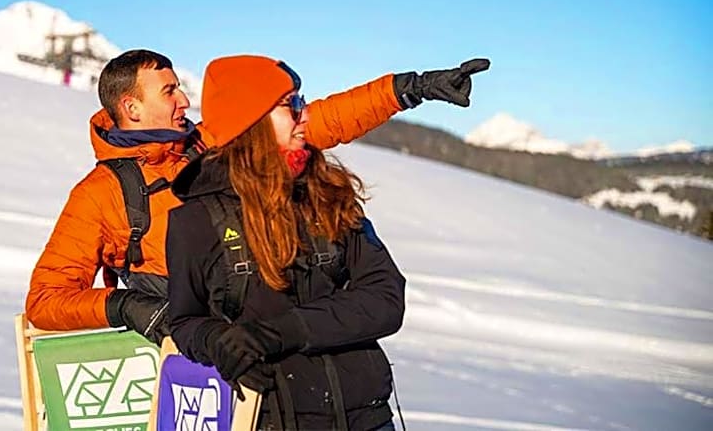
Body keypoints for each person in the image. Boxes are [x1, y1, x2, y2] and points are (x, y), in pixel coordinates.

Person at [26, 49, 489, 345]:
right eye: (169, 91)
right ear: (131, 107)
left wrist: (406, 90)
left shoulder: (212, 144)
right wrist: (126, 307)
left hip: (265, 334)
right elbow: (45, 301)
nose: (184, 101)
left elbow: (313, 122)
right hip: (184, 360)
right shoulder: (102, 194)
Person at [167, 54, 413, 430]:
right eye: (292, 105)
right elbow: (185, 320)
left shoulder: (328, 195)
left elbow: (386, 297)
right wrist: (219, 340)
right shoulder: (195, 220)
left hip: (367, 418)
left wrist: (280, 332)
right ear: (251, 120)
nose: (305, 116)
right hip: (270, 418)